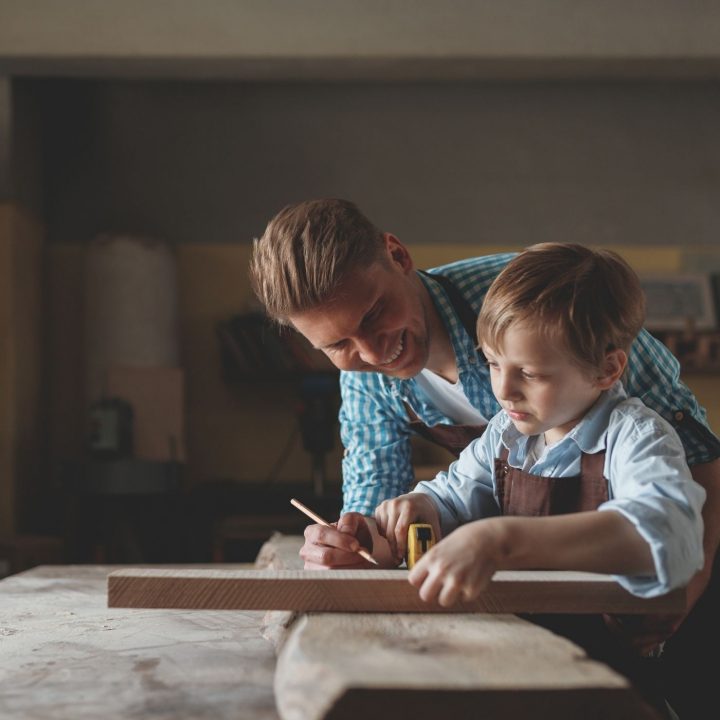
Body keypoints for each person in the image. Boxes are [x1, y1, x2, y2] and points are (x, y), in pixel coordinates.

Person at [249, 200, 720, 711]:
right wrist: (370, 537)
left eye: (374, 314)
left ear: (398, 256)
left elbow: (682, 487)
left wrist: (679, 598)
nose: (370, 352)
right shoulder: (501, 431)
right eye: (338, 344)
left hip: (642, 619)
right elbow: (422, 509)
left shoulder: (539, 300)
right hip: (541, 639)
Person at [373, 242, 704, 716]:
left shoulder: (637, 435)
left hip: (608, 682)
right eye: (492, 363)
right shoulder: (506, 433)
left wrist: (504, 538)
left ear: (607, 368)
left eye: (528, 372)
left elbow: (668, 535)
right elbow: (450, 497)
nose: (502, 390)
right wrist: (415, 507)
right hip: (518, 667)